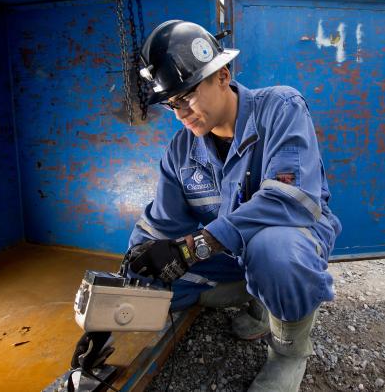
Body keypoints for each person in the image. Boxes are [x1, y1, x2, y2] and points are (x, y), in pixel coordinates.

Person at [126, 20, 342, 391]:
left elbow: (290, 201)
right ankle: (259, 296)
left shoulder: (280, 108)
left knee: (274, 251)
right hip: (229, 257)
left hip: (290, 240)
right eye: (172, 104)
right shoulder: (181, 151)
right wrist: (135, 263)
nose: (181, 114)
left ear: (222, 75)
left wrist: (195, 247)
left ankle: (289, 352)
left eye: (188, 96)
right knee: (148, 286)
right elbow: (160, 226)